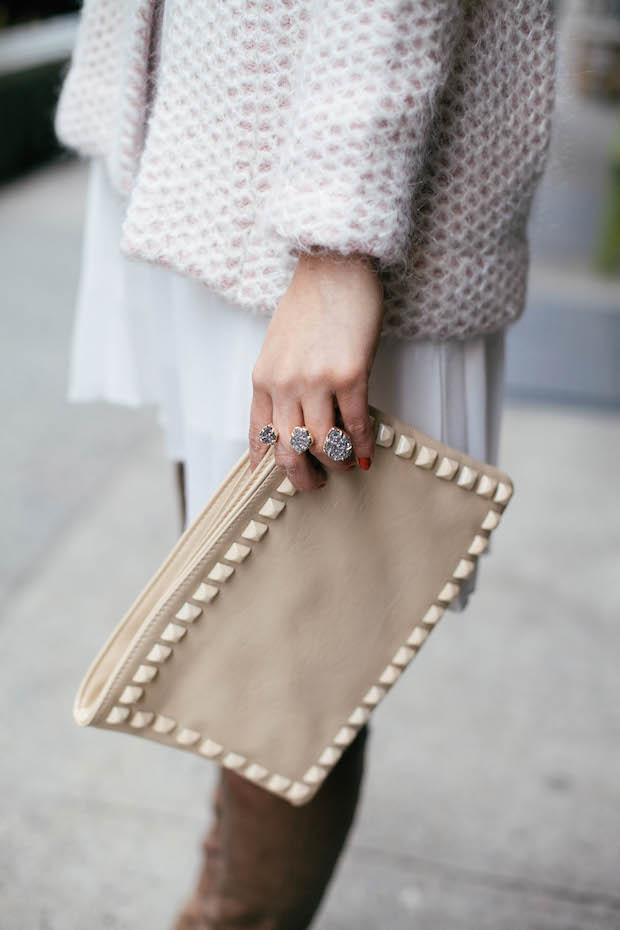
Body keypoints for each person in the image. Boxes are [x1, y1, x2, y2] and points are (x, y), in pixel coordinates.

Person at [55, 2, 557, 927]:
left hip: (319, 180)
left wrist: (338, 246)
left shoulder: (333, 232)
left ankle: (230, 912)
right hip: (198, 135)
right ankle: (222, 886)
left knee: (288, 663)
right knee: (233, 622)